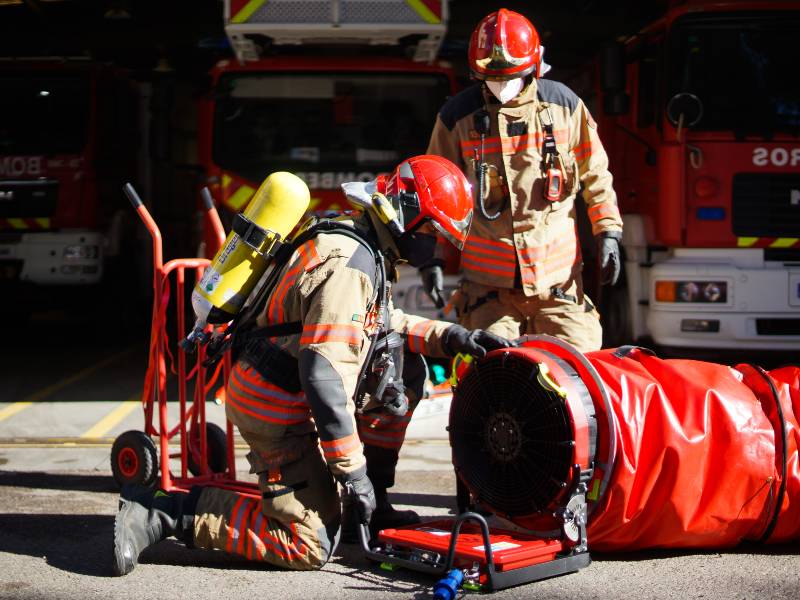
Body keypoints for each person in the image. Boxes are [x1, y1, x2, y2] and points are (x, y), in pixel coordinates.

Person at [112, 155, 513, 575]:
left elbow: (377, 324)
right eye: (433, 231)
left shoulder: (365, 243)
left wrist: (452, 337)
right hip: (274, 408)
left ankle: (374, 506)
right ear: (407, 216)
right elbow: (324, 377)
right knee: (308, 543)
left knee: (401, 365)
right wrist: (352, 472)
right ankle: (161, 511)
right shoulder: (350, 266)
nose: (437, 246)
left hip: (286, 388)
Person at [420, 8, 623, 353]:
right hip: (489, 295)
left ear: (533, 69)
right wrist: (429, 258)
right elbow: (433, 192)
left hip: (558, 288)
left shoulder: (564, 106)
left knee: (581, 378)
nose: (500, 87)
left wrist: (608, 232)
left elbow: (595, 174)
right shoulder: (458, 117)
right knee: (494, 378)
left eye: (510, 77)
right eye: (490, 78)